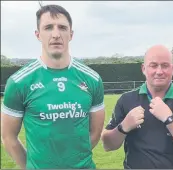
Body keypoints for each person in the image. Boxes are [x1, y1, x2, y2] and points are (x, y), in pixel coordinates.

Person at [1, 4, 105, 169]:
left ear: (71, 34)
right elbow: (8, 137)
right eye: (48, 27)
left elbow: (95, 133)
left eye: (62, 28)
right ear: (38, 34)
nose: (56, 34)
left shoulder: (92, 79)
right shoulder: (19, 82)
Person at [101, 45, 173, 169]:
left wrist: (169, 119)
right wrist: (124, 126)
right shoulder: (126, 100)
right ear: (144, 69)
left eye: (165, 65)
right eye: (153, 65)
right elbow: (108, 145)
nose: (159, 71)